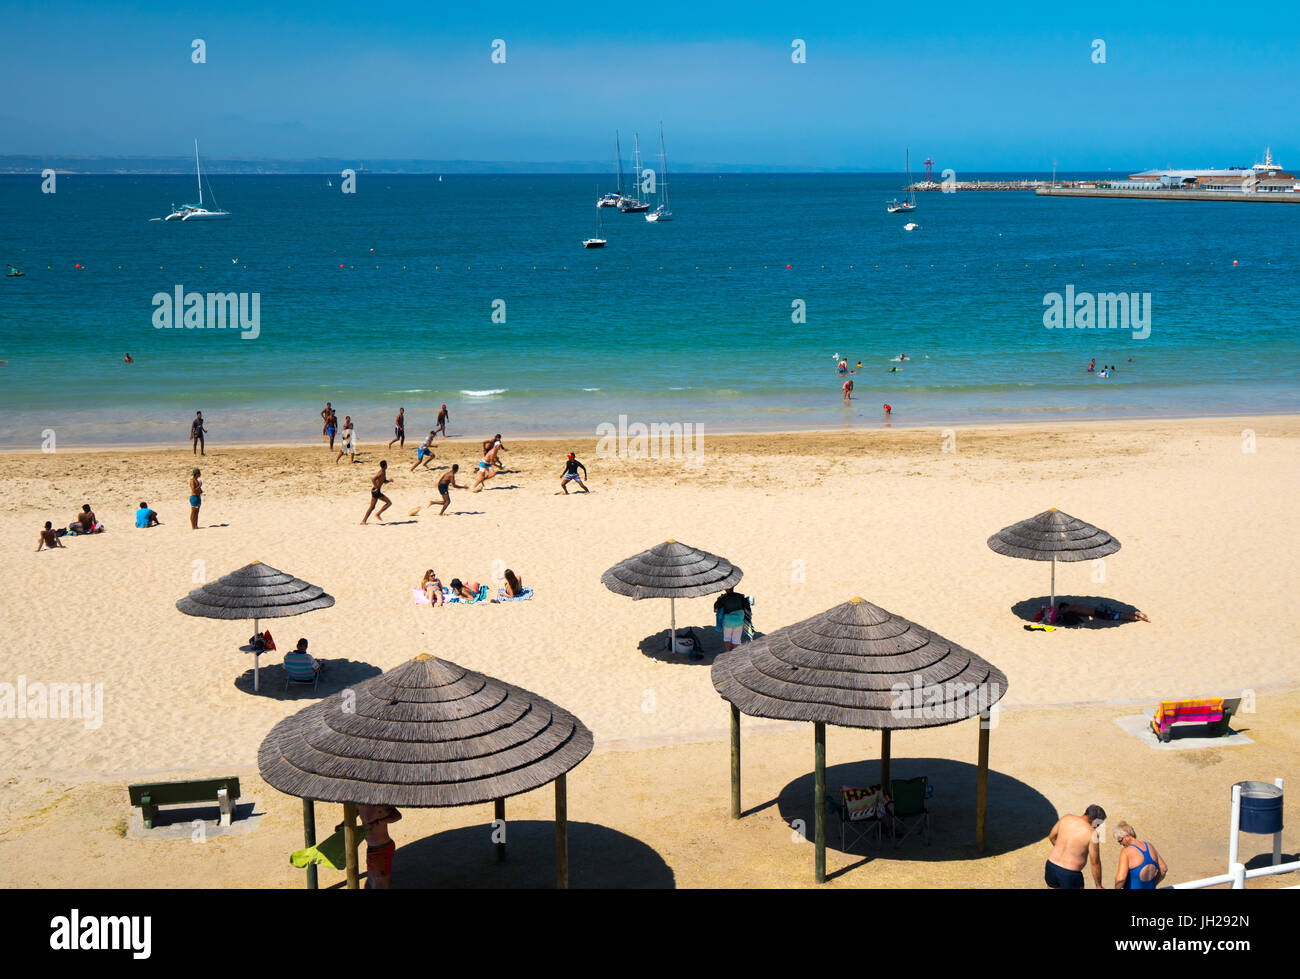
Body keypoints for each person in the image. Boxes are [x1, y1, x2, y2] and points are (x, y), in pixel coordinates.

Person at [1045, 804, 1107, 889]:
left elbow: (1051, 836)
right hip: (1070, 874)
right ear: (1096, 820)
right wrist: (1098, 885)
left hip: (1051, 866)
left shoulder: (1066, 818)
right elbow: (1095, 862)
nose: (1097, 827)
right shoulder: (1092, 833)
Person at [357, 804, 402, 889]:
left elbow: (397, 815)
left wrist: (379, 821)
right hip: (371, 849)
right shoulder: (358, 803)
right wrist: (343, 824)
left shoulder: (377, 803)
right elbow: (354, 813)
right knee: (372, 880)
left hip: (382, 849)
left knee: (381, 884)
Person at [1113, 821, 1167, 889]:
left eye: (1120, 840)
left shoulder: (1126, 852)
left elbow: (1121, 879)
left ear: (1127, 836)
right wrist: (1154, 884)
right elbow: (1164, 869)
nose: (1121, 844)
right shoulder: (1150, 846)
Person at [714, 586, 750, 651]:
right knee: (736, 639)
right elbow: (747, 606)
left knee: (727, 638)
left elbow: (716, 607)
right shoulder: (740, 596)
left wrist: (719, 599)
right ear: (733, 588)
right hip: (739, 621)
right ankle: (735, 654)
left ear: (725, 589)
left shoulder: (723, 598)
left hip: (727, 622)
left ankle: (728, 652)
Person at [1057, 601, 1150, 624]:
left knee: (1118, 616)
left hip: (1099, 612)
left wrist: (1058, 612)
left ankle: (1137, 615)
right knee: (1118, 615)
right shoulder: (1076, 609)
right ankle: (1138, 617)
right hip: (1100, 610)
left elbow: (1066, 610)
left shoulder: (1073, 607)